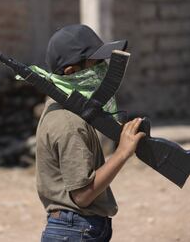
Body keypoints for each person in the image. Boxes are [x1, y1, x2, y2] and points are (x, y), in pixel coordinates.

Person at [35, 24, 145, 241]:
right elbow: (83, 195)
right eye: (96, 63)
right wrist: (123, 152)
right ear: (71, 72)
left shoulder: (65, 106)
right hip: (74, 230)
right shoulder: (68, 121)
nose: (104, 68)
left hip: (76, 228)